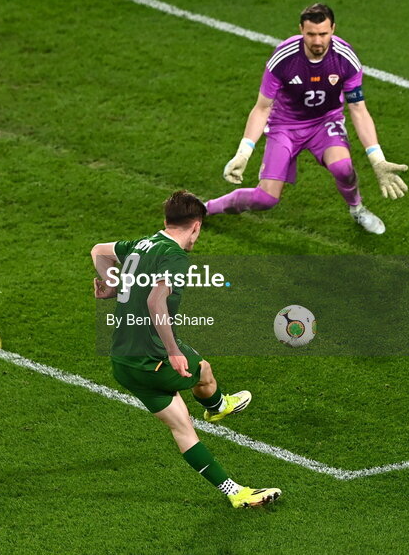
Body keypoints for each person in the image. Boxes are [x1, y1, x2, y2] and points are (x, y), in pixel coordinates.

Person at [91, 191, 281, 508]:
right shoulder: (176, 257)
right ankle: (218, 406)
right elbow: (155, 301)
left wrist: (111, 284)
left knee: (182, 428)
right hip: (154, 360)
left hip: (123, 362)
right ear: (195, 226)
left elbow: (99, 250)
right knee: (202, 370)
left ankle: (236, 493)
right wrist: (172, 351)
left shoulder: (141, 244)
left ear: (166, 221)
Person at [206, 3, 409, 234]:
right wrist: (243, 152)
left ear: (333, 29)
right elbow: (262, 108)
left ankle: (357, 209)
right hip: (285, 125)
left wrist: (377, 160)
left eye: (323, 34)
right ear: (301, 29)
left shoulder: (345, 58)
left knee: (344, 168)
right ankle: (205, 209)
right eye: (311, 34)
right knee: (265, 199)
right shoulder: (284, 57)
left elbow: (358, 109)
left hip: (324, 122)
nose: (318, 41)